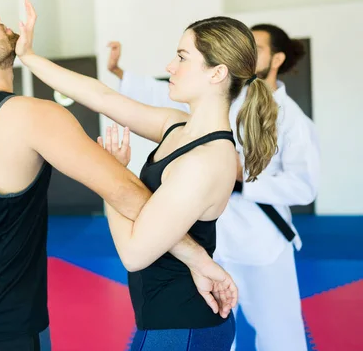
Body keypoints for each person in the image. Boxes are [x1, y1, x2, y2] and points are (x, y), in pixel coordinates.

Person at [0, 3, 238, 351]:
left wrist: (31, 56)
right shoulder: (29, 113)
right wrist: (199, 258)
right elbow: (122, 190)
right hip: (9, 314)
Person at [16, 0, 278, 350]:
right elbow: (101, 96)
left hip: (181, 327)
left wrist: (111, 174)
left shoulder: (207, 159)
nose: (170, 66)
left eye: (183, 57)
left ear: (217, 73)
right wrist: (29, 57)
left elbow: (135, 252)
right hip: (167, 320)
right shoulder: (177, 125)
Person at [107, 24, 321, 351]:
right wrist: (119, 72)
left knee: (280, 335)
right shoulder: (222, 98)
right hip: (215, 241)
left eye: (258, 47)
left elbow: (304, 187)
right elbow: (158, 93)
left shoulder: (293, 120)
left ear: (276, 58)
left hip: (264, 243)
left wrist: (241, 178)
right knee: (217, 326)